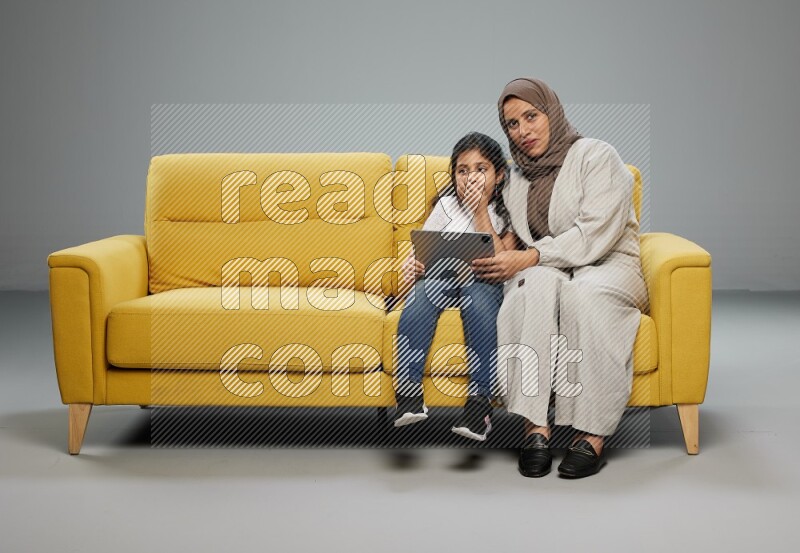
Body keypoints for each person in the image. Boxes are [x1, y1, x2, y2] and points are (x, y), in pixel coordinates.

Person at [471, 78, 649, 478]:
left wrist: (531, 256)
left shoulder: (597, 156)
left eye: (531, 117)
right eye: (512, 124)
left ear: (551, 112)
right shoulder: (515, 179)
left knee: (583, 295)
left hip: (608, 264)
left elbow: (594, 234)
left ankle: (591, 434)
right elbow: (513, 247)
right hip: (551, 267)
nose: (524, 131)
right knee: (529, 287)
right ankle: (535, 427)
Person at [393, 132, 517, 441]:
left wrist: (479, 209)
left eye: (481, 169)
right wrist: (412, 267)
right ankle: (409, 394)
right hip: (440, 277)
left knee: (479, 300)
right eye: (463, 170)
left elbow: (503, 259)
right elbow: (420, 249)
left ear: (499, 175)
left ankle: (479, 407)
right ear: (454, 175)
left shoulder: (507, 211)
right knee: (422, 293)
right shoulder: (446, 205)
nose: (471, 177)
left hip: (483, 282)